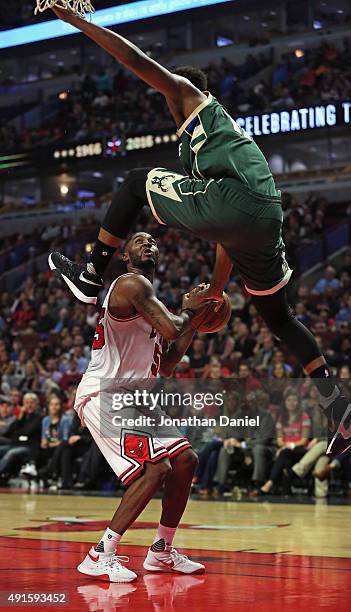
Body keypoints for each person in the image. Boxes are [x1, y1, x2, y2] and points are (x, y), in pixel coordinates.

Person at [48, 5, 350, 457]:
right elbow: (226, 233)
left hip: (239, 201)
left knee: (134, 183)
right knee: (280, 319)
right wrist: (216, 291)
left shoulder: (194, 99)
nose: (169, 108)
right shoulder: (217, 145)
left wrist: (82, 24)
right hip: (265, 215)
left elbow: (136, 61)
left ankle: (91, 275)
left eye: (169, 100)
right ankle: (339, 413)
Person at [72, 232, 204, 582]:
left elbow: (167, 364)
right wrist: (191, 312)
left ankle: (161, 551)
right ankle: (100, 553)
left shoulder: (149, 304)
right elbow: (175, 327)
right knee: (154, 469)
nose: (149, 244)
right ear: (126, 257)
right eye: (140, 241)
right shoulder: (131, 284)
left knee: (185, 460)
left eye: (153, 242)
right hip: (107, 393)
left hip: (137, 397)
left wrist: (195, 322)